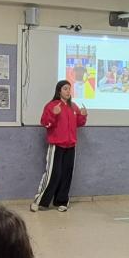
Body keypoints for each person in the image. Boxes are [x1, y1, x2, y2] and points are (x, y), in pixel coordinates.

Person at [32, 80, 87, 213]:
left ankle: (61, 201)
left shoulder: (73, 107)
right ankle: (40, 201)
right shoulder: (52, 106)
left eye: (69, 89)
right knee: (53, 174)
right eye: (65, 89)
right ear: (59, 91)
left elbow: (78, 124)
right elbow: (45, 123)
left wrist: (83, 116)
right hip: (56, 145)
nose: (68, 91)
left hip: (71, 146)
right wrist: (53, 114)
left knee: (66, 174)